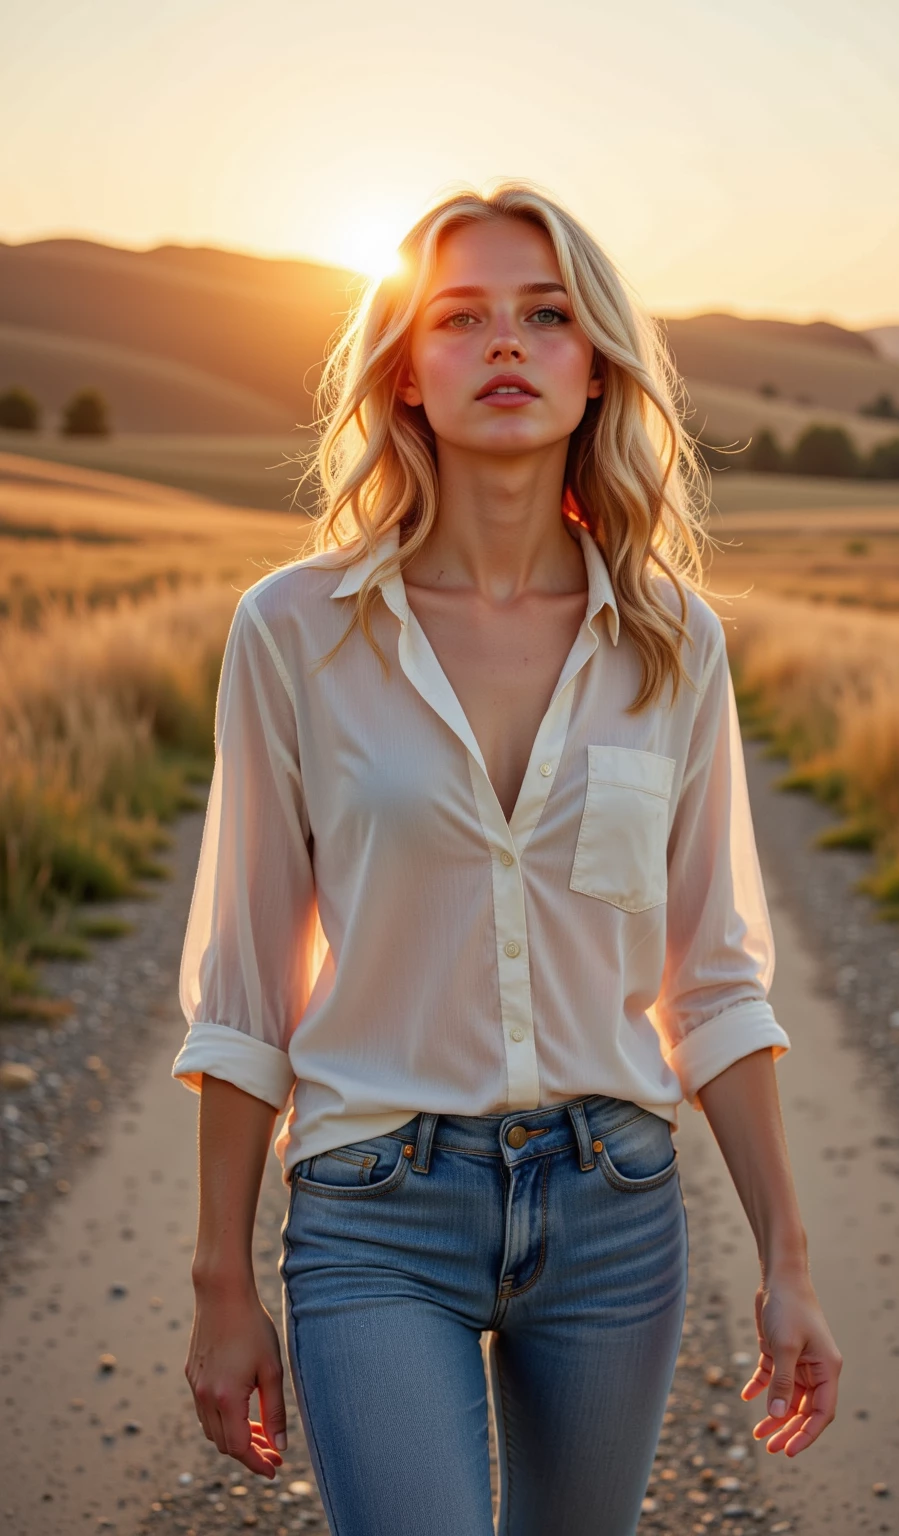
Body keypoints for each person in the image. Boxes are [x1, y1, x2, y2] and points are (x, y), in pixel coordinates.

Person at [172, 180, 841, 1536]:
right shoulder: (294, 632)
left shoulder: (671, 643)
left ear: (595, 368)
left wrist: (789, 1258)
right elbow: (243, 987)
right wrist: (220, 1284)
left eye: (545, 316)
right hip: (375, 1208)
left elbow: (713, 979)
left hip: (614, 1207)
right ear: (406, 374)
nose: (506, 346)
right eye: (460, 318)